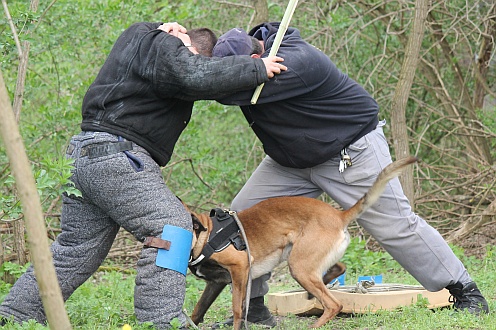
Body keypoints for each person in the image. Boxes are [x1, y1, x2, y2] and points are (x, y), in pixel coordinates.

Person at [0, 21, 286, 329]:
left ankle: (14, 316)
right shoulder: (161, 44)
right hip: (116, 156)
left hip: (85, 157)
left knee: (75, 250)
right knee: (173, 228)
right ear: (185, 44)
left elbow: (199, 78)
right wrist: (257, 68)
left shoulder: (152, 54)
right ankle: (163, 323)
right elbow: (196, 73)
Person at [211, 24, 490, 327]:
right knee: (239, 220)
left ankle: (466, 292)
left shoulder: (300, 63)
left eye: (239, 69)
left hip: (349, 149)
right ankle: (255, 309)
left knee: (395, 225)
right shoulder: (258, 62)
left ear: (259, 55)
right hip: (291, 161)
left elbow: (225, 91)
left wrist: (215, 79)